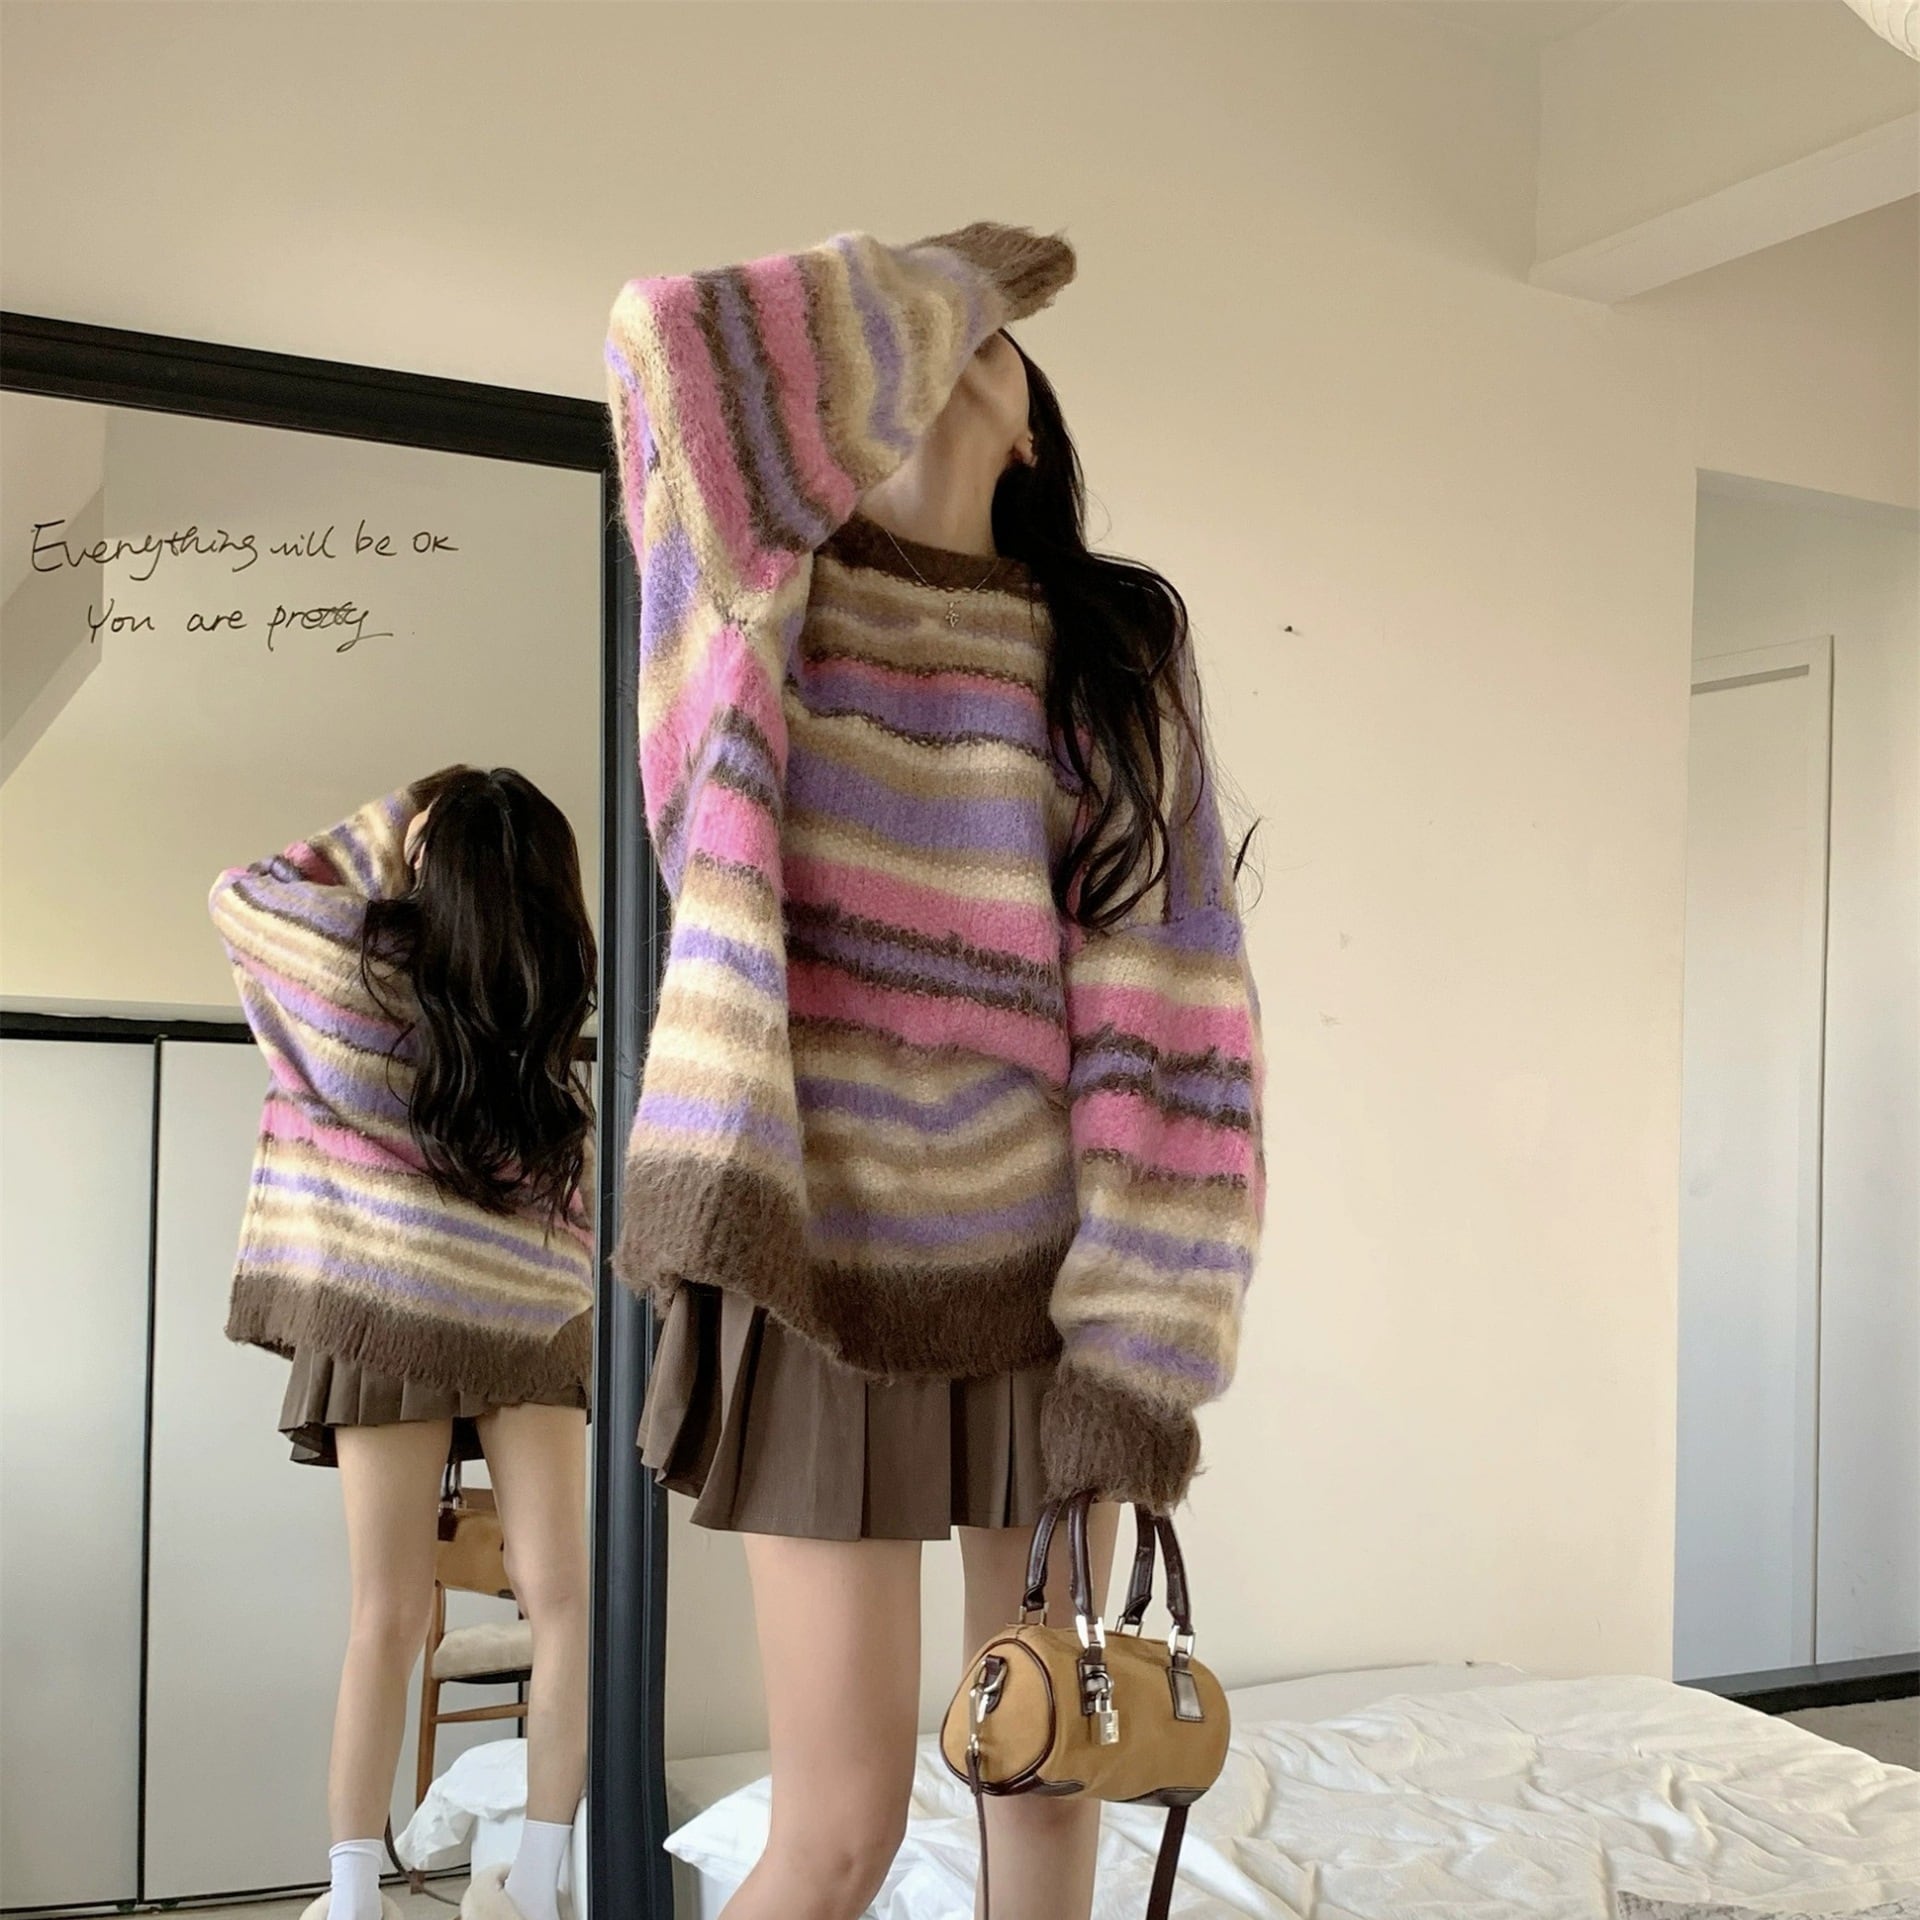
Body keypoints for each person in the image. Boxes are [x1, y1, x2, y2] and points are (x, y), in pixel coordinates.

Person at [605, 223, 1267, 1920]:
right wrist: (945, 273)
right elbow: (664, 341)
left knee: (1043, 1793)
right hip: (811, 1261)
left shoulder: (1111, 646)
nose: (958, 340)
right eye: (919, 325)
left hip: (1043, 1290)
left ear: (1034, 433)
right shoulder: (763, 610)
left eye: (986, 337)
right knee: (839, 1832)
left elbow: (1175, 1005)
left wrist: (1141, 1347)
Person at [209, 766, 597, 1920]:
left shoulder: (354, 969)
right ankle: (538, 1880)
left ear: (428, 864)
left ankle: (352, 1896)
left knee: (385, 1614)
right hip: (522, 1310)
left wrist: (407, 811)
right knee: (563, 1605)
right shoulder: (538, 995)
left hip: (388, 1306)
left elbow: (244, 889)